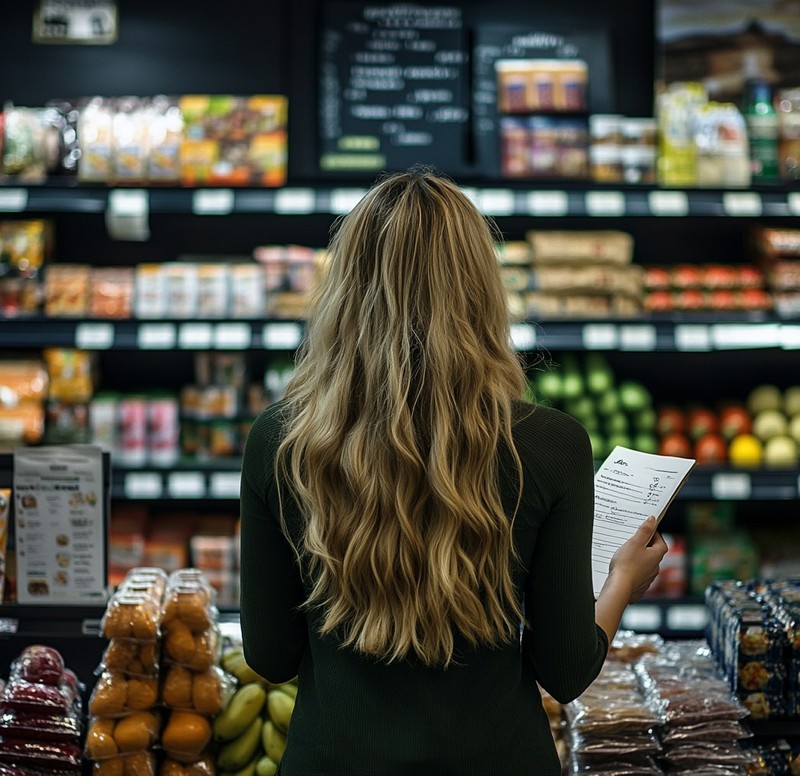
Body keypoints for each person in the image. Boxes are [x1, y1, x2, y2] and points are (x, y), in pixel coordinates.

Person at [239, 167, 668, 775]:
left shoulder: (281, 441)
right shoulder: (549, 445)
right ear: (483, 291)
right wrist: (623, 578)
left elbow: (270, 656)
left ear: (344, 295)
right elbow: (566, 672)